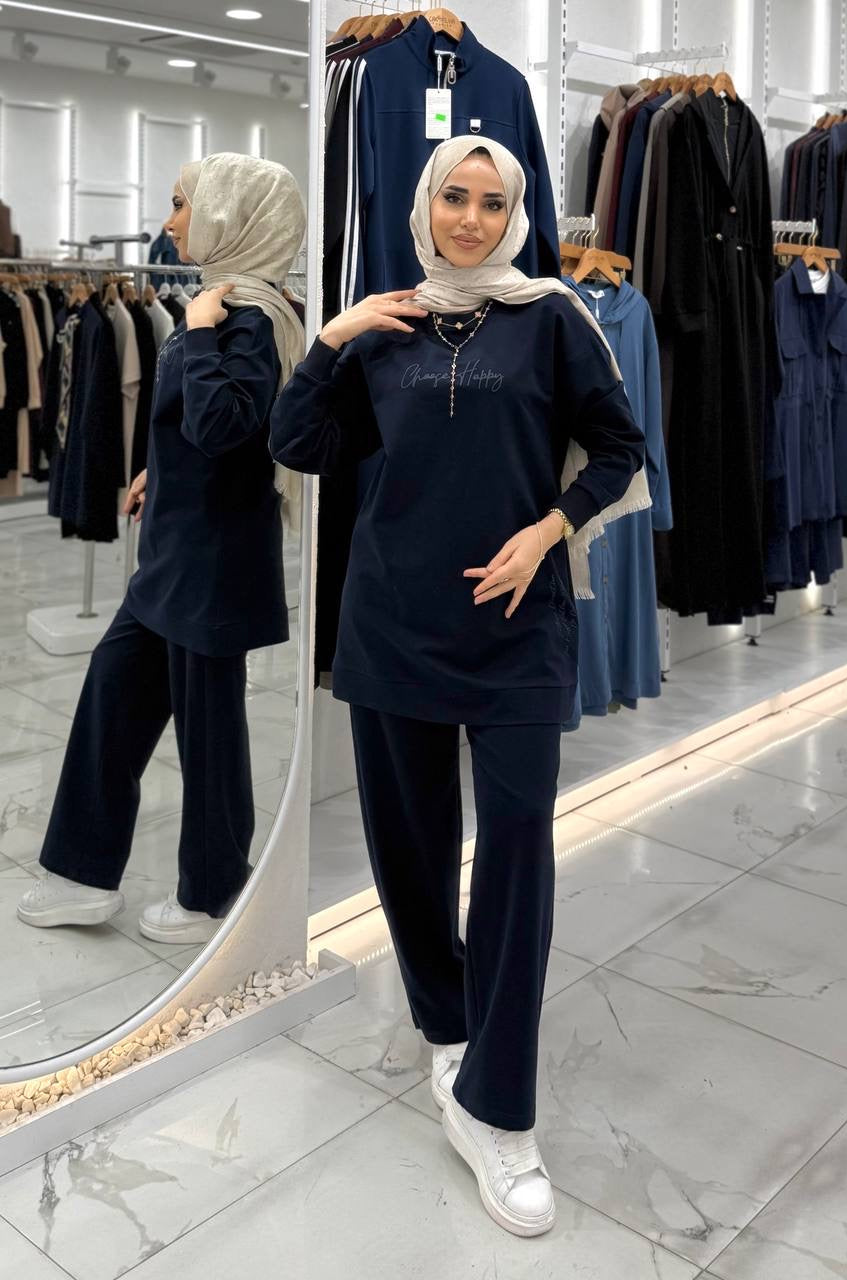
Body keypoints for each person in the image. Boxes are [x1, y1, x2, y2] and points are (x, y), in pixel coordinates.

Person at [270, 135, 648, 1238]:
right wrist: (332, 336)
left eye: (490, 201)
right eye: (453, 197)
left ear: (516, 212)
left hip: (518, 630)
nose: (471, 219)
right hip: (392, 624)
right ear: (423, 205)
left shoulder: (550, 318)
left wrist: (549, 529)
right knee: (409, 850)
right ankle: (446, 1026)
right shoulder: (383, 327)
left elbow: (620, 449)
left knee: (519, 855)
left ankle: (499, 1107)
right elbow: (299, 442)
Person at [18, 153, 306, 946]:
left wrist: (201, 331)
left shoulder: (247, 316)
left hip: (212, 563)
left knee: (209, 736)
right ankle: (83, 875)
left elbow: (227, 425)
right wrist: (160, 466)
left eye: (184, 203)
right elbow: (199, 428)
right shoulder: (223, 301)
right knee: (111, 700)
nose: (172, 221)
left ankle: (212, 896)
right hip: (178, 550)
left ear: (232, 213)